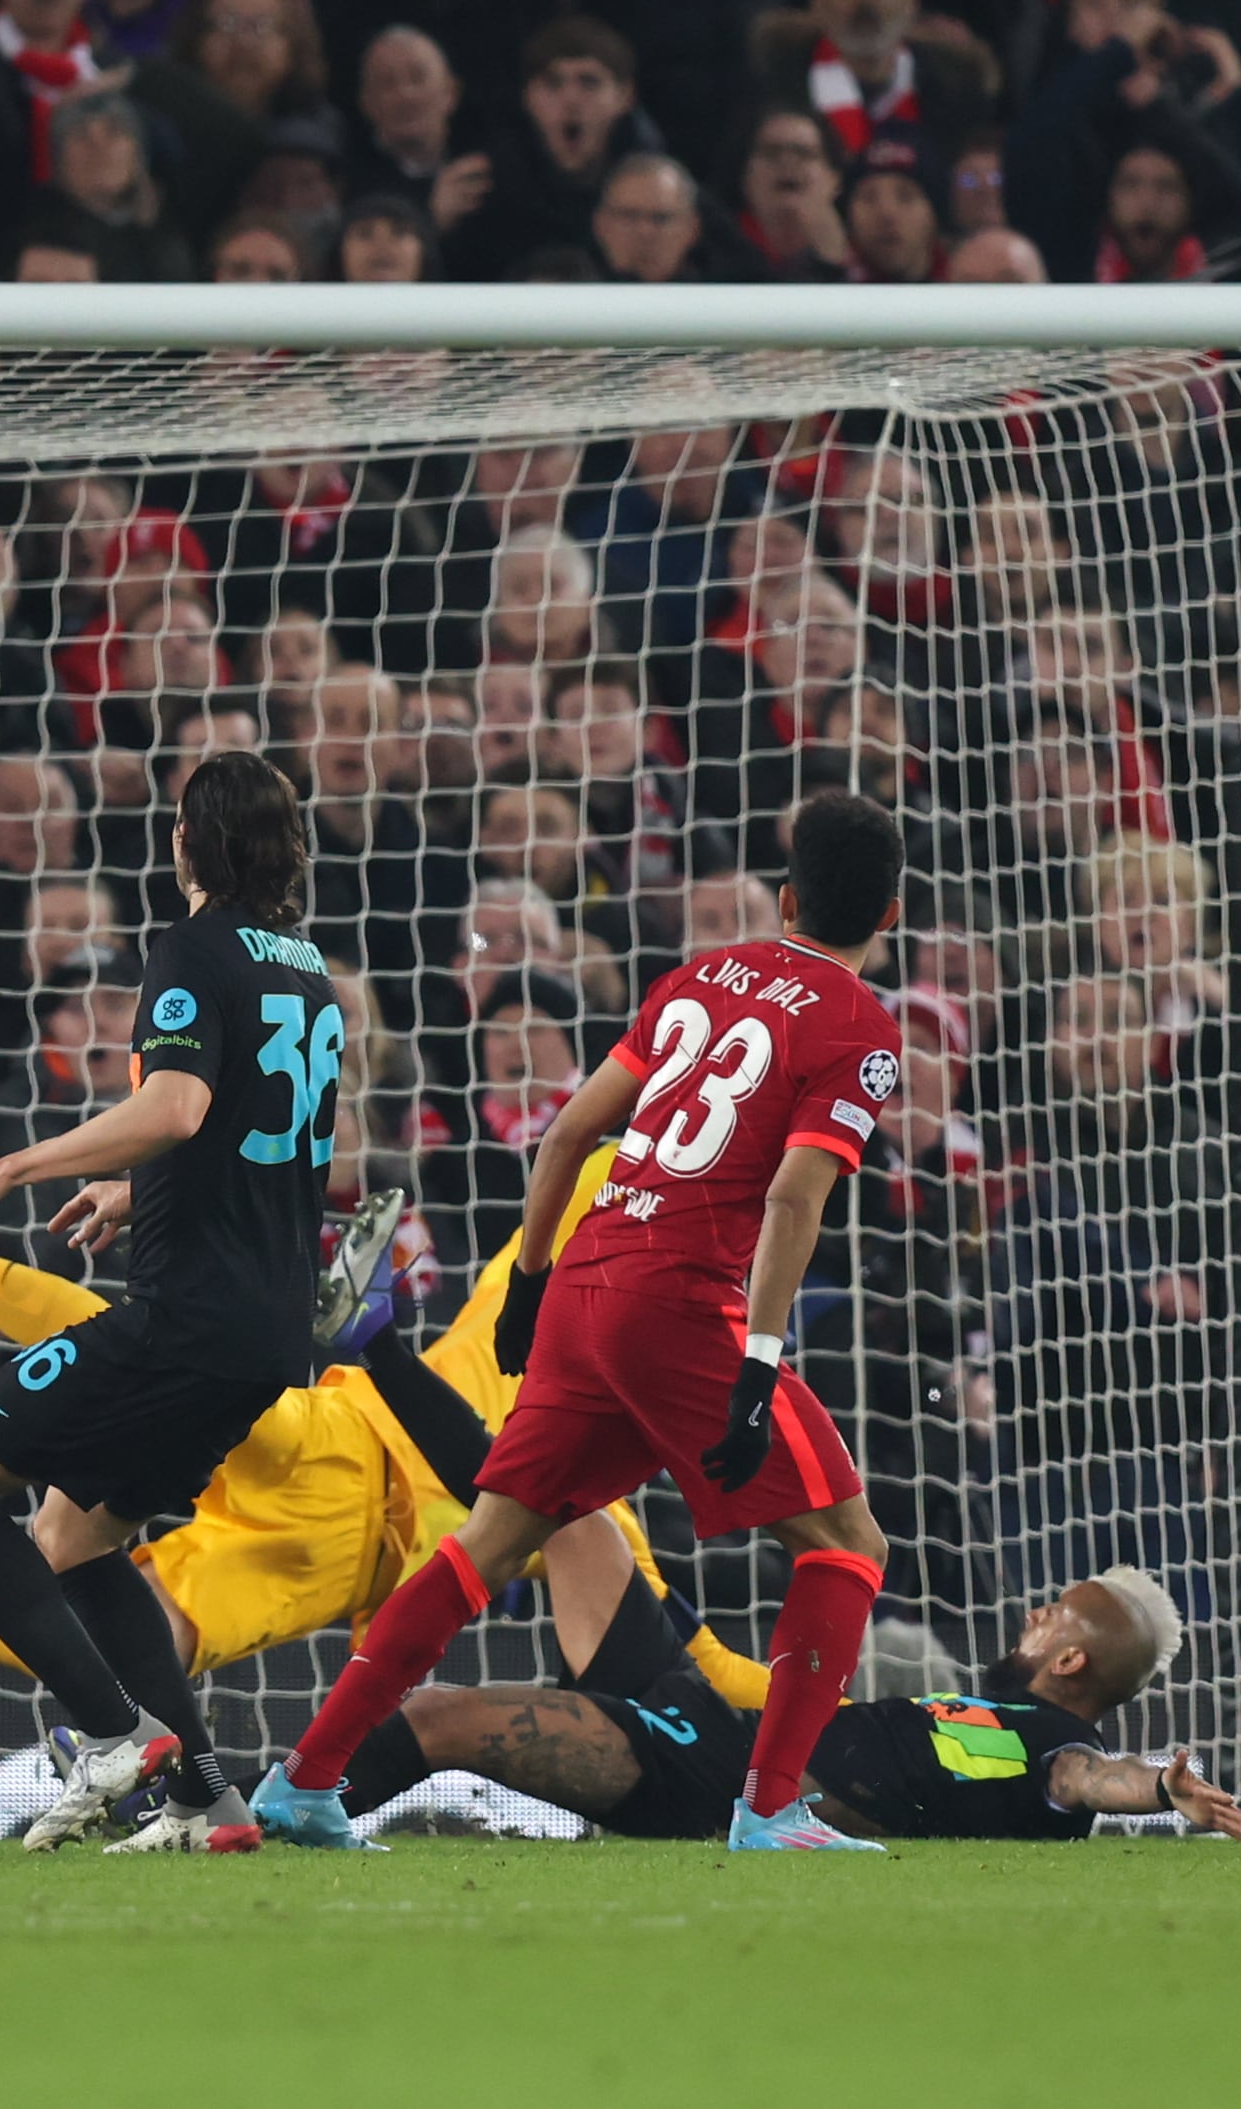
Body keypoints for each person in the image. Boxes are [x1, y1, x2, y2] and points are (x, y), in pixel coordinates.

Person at [255, 789, 907, 1853]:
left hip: (586, 1276)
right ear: (889, 914)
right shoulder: (859, 1028)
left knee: (490, 1540)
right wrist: (759, 1361)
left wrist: (527, 1284)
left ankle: (306, 1779)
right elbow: (793, 1198)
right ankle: (771, 1809)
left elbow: (563, 1139)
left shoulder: (698, 976)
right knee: (847, 1544)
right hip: (680, 1306)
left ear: (785, 897)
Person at [0, 1143, 769, 1720]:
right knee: (121, 1336)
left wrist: (833, 1710)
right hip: (331, 1433)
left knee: (58, 1634)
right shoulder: (520, 1313)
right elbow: (611, 1164)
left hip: (301, 1566)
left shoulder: (598, 1513)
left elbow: (702, 1662)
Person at [0, 748, 338, 1853]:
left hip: (181, 1322)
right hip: (263, 1328)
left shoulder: (190, 948)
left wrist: (8, 1170)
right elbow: (251, 1138)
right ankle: (204, 1799)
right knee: (73, 1536)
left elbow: (180, 1108)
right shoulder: (306, 969)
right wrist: (133, 1192)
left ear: (188, 841)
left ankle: (104, 1735)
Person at [306, 1556, 1241, 1844]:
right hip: (726, 1729)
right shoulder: (1001, 1717)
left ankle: (270, 1815)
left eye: (1052, 1616)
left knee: (437, 1717)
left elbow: (1089, 1777)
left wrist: (1161, 1791)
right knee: (574, 1517)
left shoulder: (1049, 1744)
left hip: (714, 1777)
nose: (1034, 1616)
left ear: (1074, 1660)